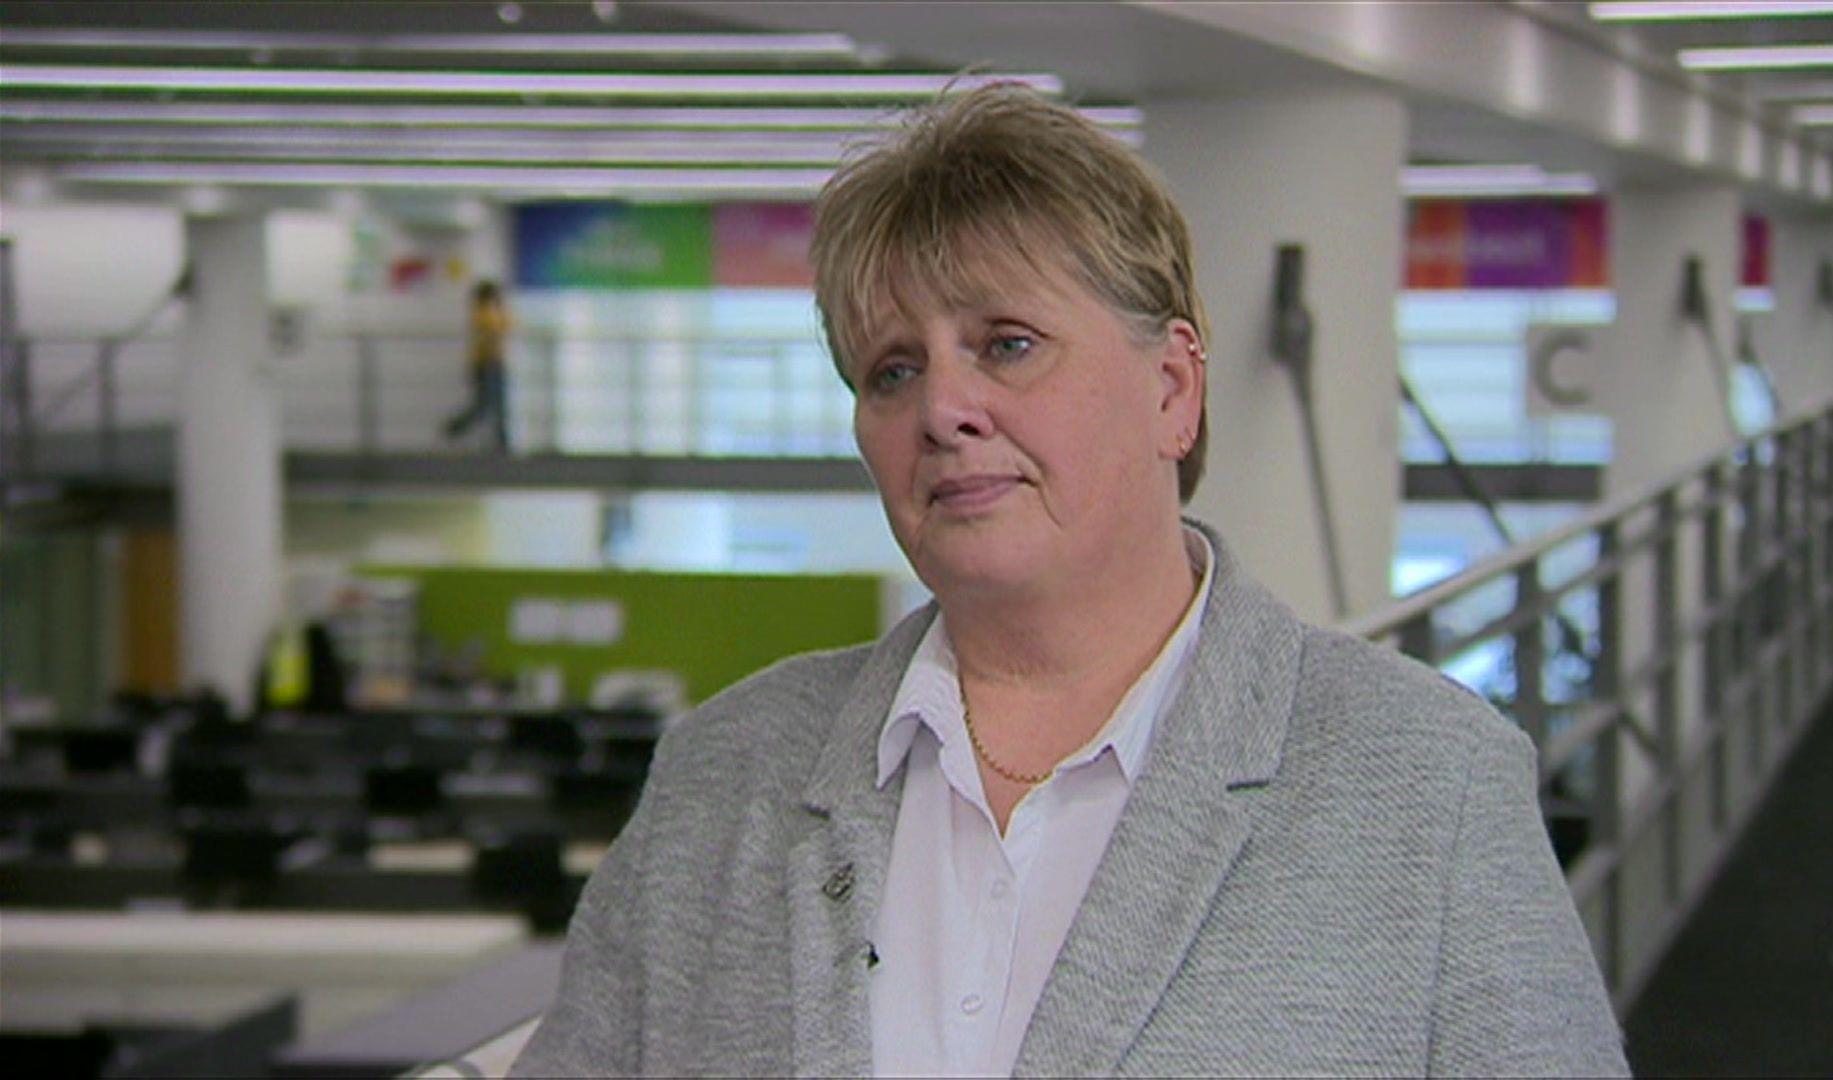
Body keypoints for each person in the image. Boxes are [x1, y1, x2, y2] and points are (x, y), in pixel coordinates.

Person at [513, 85, 1628, 1077]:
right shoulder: (724, 777)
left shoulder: (1428, 789)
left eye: (1006, 345)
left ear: (1173, 391)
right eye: (892, 369)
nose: (943, 409)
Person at [443, 279, 511, 450]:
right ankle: (454, 428)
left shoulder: (491, 312)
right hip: (486, 364)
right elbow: (495, 330)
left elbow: (507, 324)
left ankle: (501, 444)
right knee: (487, 404)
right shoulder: (482, 313)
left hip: (494, 363)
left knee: (496, 405)